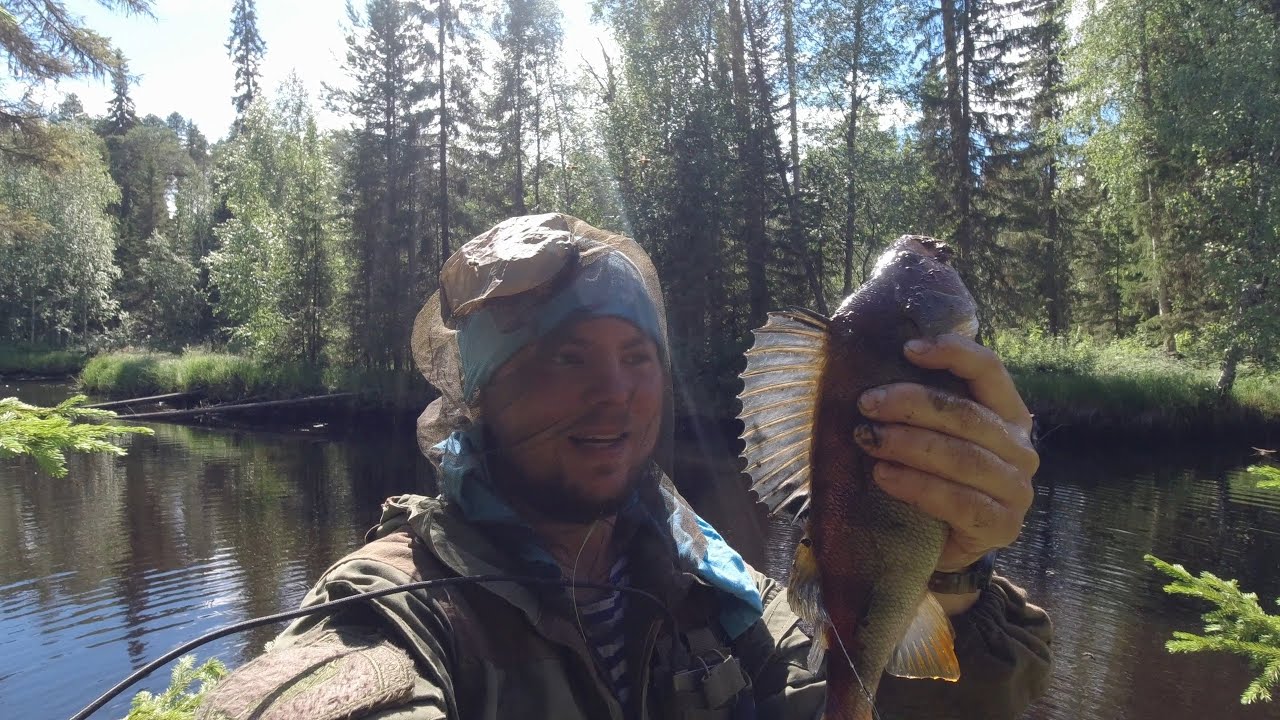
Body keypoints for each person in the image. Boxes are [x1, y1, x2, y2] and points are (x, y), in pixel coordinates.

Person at [197, 214, 1050, 720]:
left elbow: (860, 695)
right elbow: (335, 679)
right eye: (567, 358)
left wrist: (956, 578)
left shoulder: (713, 586)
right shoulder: (400, 605)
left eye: (637, 357)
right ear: (482, 395)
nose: (616, 396)